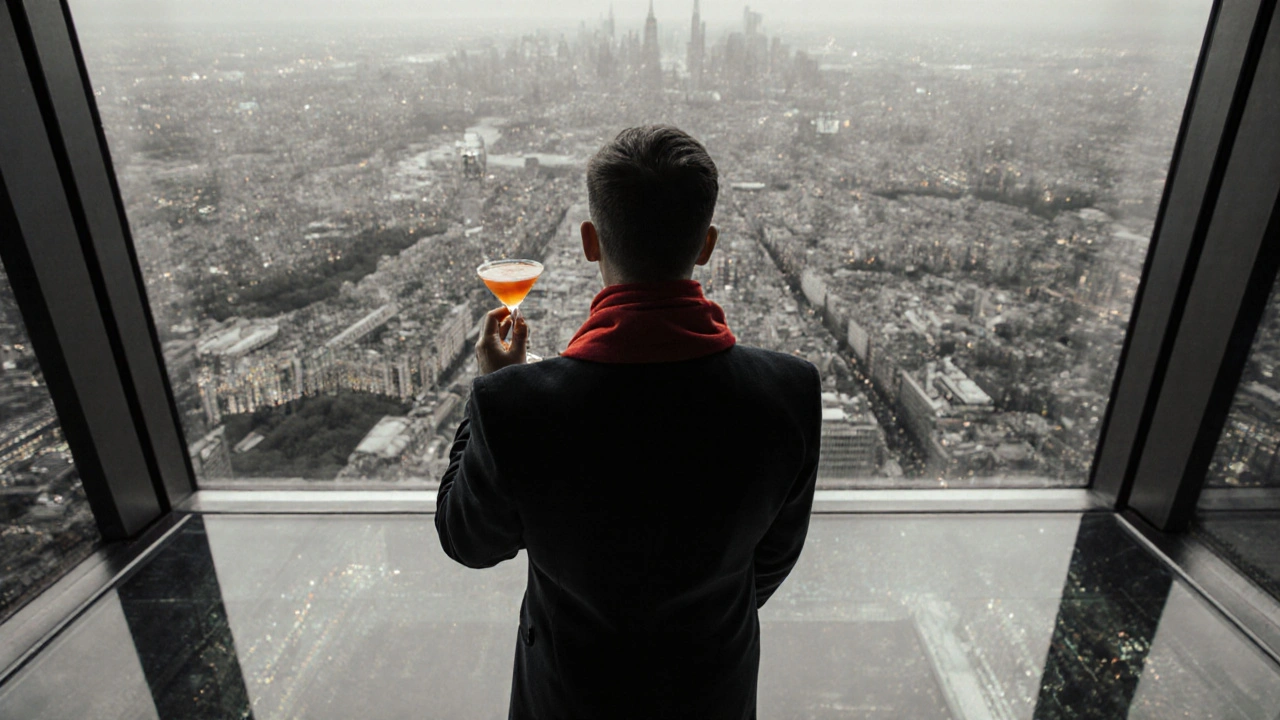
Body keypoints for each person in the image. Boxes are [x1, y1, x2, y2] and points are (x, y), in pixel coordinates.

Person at [436, 125, 821, 720]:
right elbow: (770, 559)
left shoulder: (518, 407)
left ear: (591, 242)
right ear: (707, 244)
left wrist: (487, 387)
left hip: (570, 699)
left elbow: (467, 541)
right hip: (710, 696)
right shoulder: (788, 394)